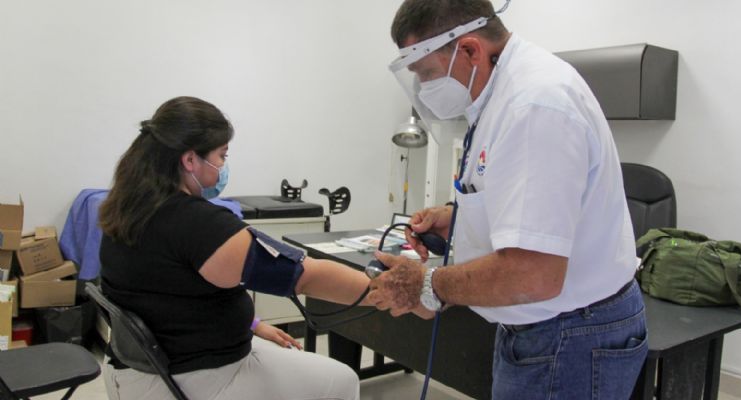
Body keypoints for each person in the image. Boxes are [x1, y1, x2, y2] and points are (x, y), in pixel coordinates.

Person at [367, 1, 648, 399]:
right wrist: (460, 218)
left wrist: (427, 284)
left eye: (427, 74)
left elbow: (534, 274)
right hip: (545, 327)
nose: (425, 89)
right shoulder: (500, 92)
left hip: (569, 337)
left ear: (470, 50)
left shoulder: (534, 105)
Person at [98, 96, 371, 400]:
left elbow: (170, 295)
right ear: (190, 160)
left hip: (138, 369)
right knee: (342, 381)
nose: (223, 167)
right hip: (187, 378)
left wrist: (253, 325)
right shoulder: (198, 223)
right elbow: (304, 276)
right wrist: (383, 290)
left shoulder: (125, 208)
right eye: (221, 156)